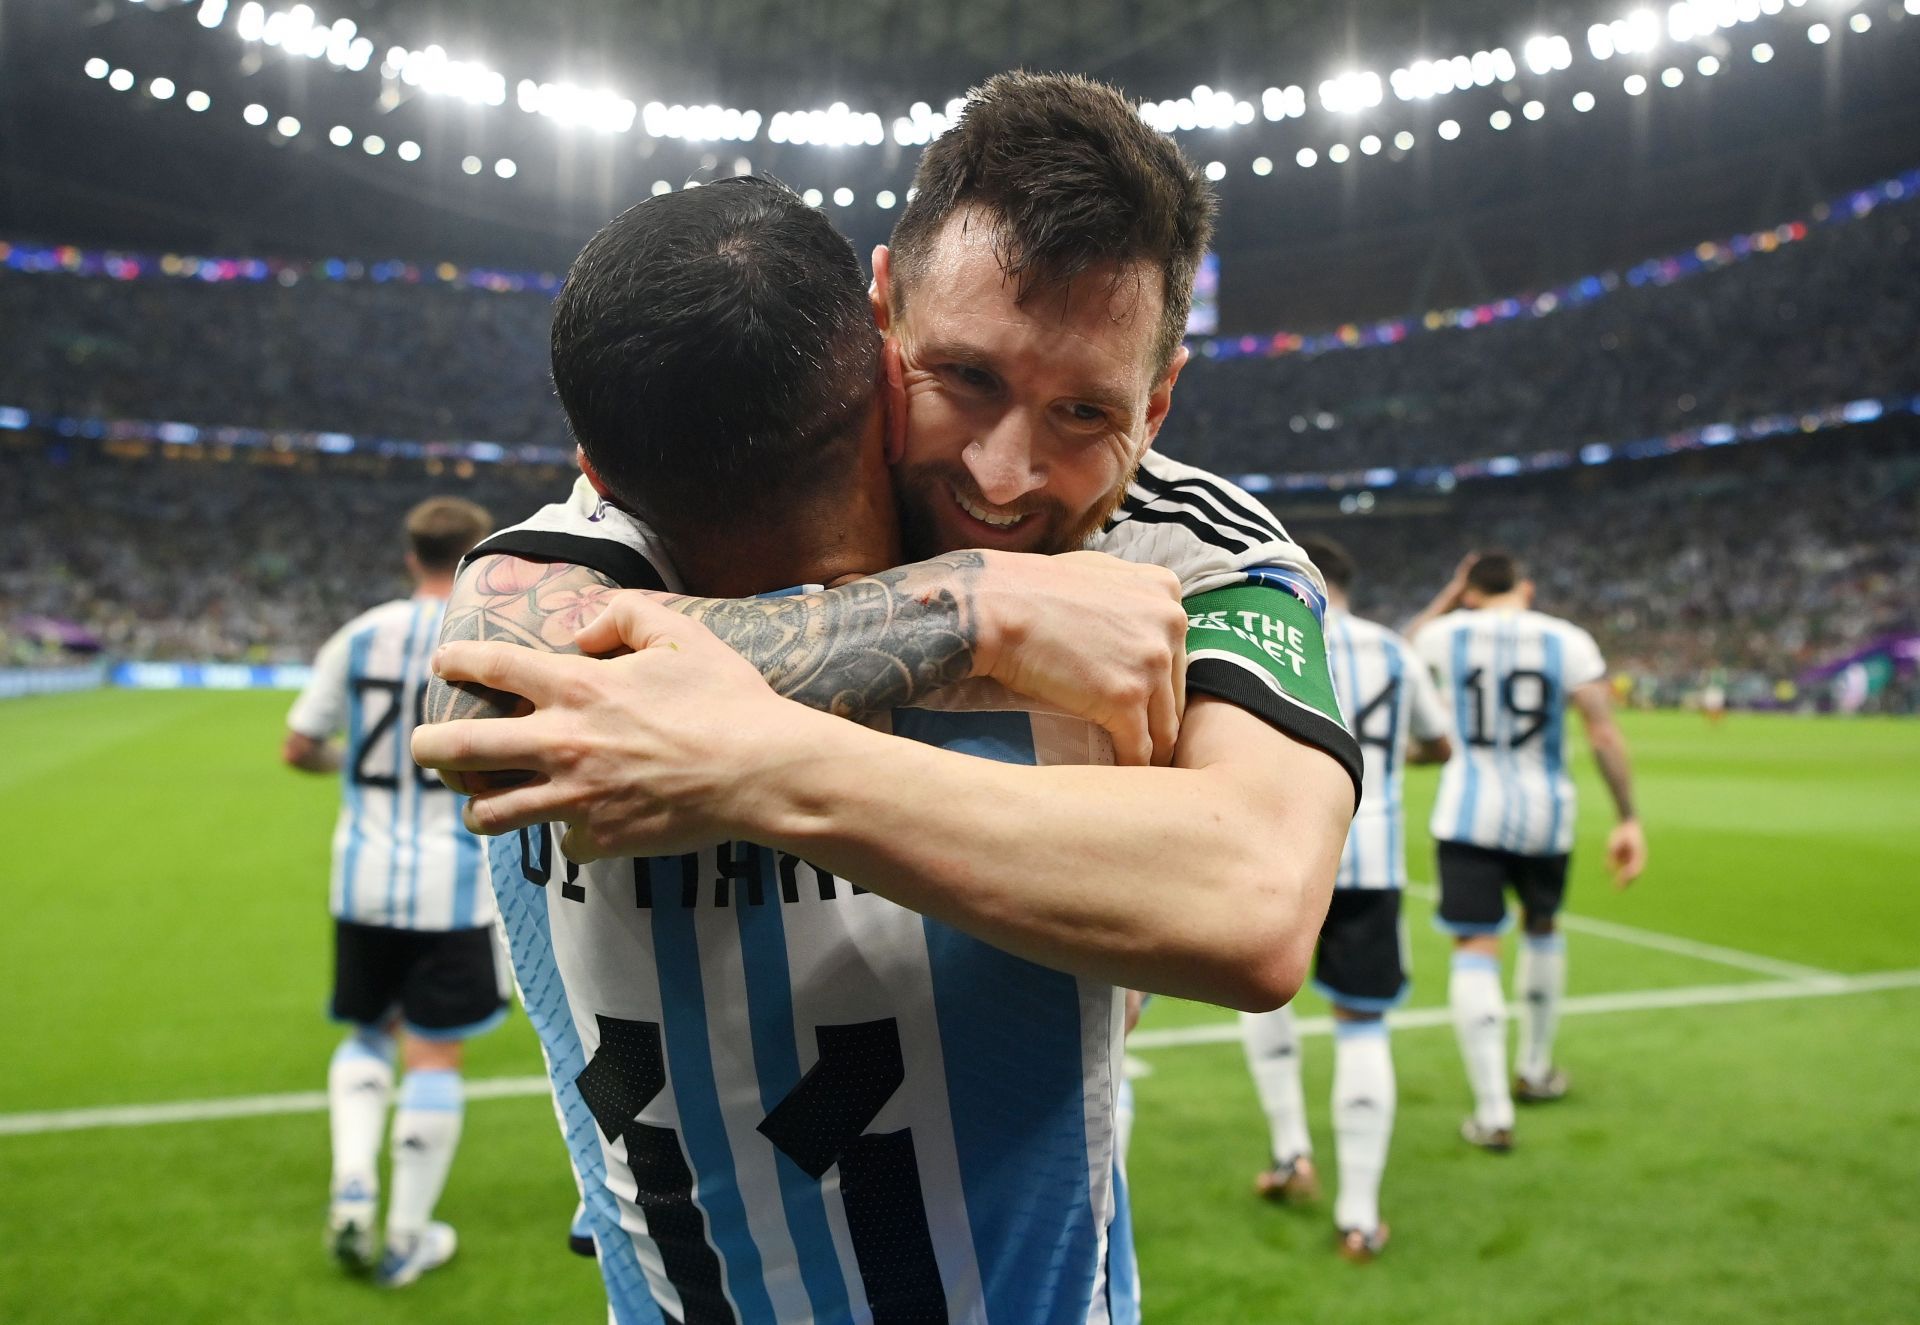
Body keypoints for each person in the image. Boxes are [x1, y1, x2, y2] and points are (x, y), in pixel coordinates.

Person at [417, 73, 1360, 1323]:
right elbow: (490, 701)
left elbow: (1254, 901)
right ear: (879, 318)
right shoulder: (674, 499)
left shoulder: (1189, 551)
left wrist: (760, 763)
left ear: (1163, 398)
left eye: (1086, 410)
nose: (1003, 472)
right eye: (964, 376)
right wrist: (982, 605)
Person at [281, 496, 504, 1286]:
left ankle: (351, 1185)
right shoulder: (489, 636)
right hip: (454, 884)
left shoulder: (359, 634)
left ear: (411, 556)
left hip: (362, 877)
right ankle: (407, 1233)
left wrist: (348, 769)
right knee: (434, 1051)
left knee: (368, 1032)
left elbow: (298, 745)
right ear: (479, 554)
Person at [1239, 536, 1450, 1262]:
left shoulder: (1267, 629)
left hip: (1279, 852)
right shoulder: (1395, 649)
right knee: (1363, 1026)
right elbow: (1441, 742)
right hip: (1372, 855)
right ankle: (1359, 1215)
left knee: (1259, 997)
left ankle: (1292, 1151)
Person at [1407, 551, 1647, 1151]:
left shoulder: (1445, 633)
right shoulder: (1567, 640)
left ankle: (1493, 1112)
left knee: (1475, 944)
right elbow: (1602, 731)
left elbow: (1399, 651)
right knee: (1542, 928)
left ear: (1469, 590)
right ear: (1527, 587)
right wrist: (1628, 818)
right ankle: (1536, 1068)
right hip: (1548, 814)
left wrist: (1447, 596)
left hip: (1468, 811)